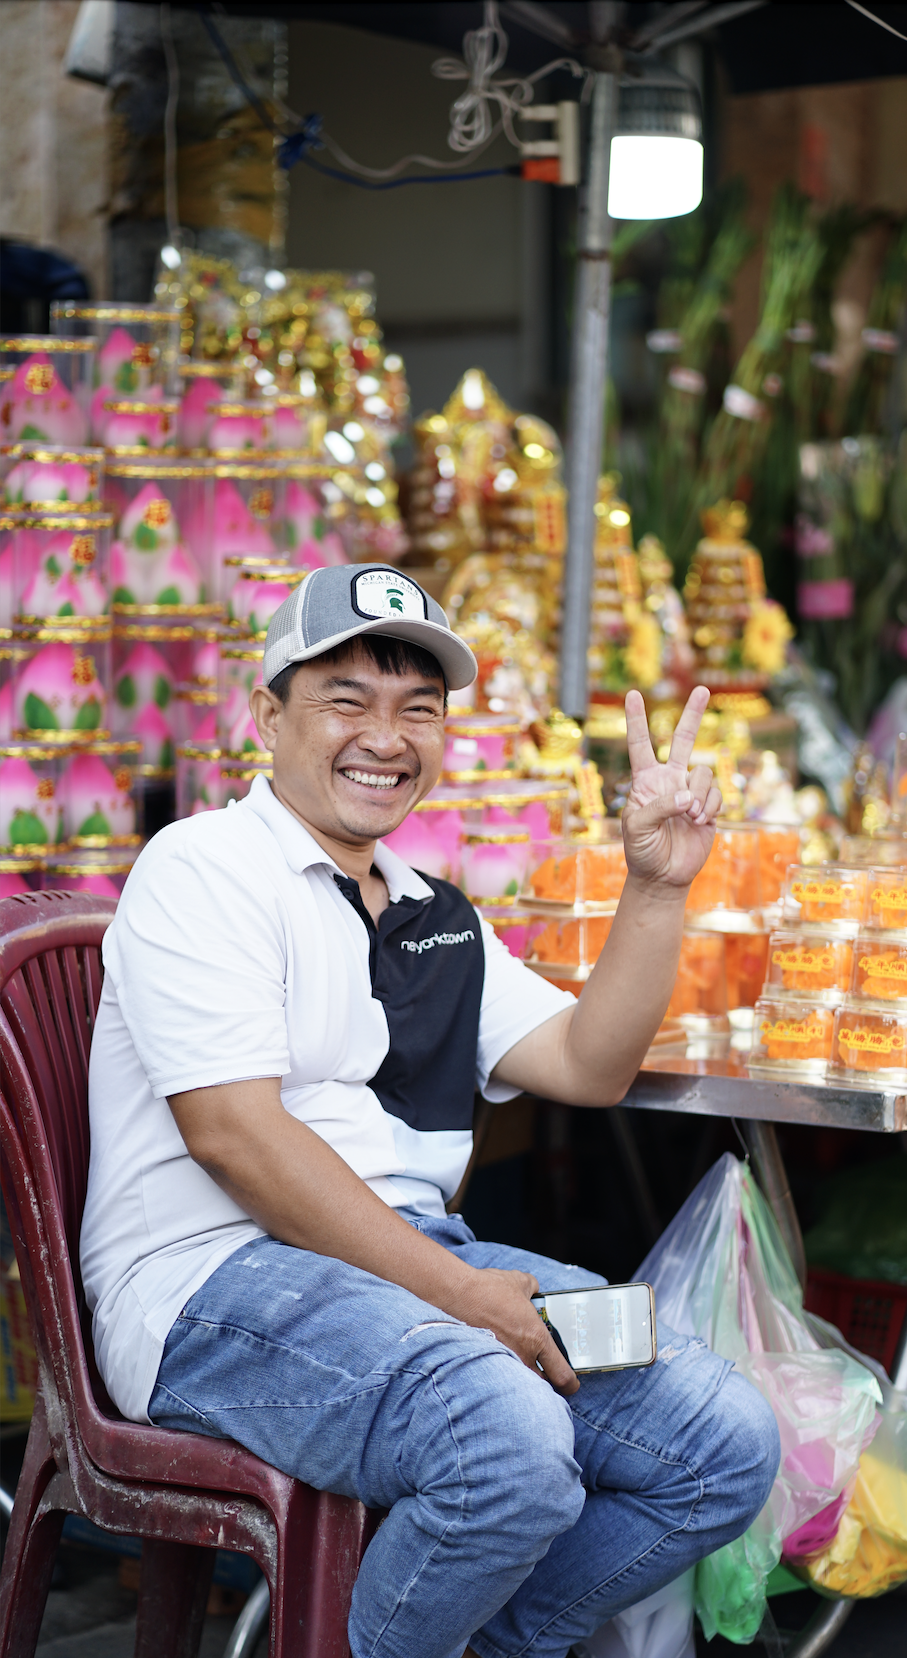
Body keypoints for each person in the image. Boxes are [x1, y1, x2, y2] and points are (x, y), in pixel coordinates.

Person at [81, 563, 779, 1658]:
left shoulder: (429, 911)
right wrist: (463, 1295)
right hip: (211, 1279)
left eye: (417, 708)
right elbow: (235, 1138)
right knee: (504, 1440)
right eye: (346, 699)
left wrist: (655, 885)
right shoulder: (205, 866)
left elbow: (589, 1064)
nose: (385, 735)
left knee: (722, 1442)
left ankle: (492, 1642)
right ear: (267, 713)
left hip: (404, 1265)